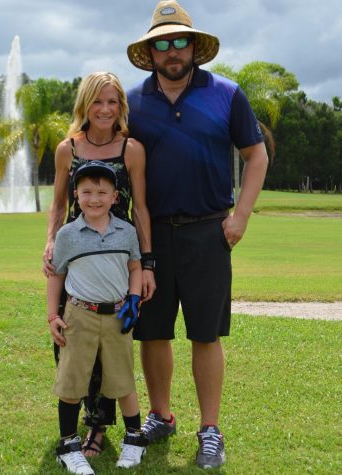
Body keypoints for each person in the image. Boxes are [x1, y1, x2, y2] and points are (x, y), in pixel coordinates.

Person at [126, 0, 269, 469]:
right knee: (153, 333)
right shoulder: (132, 102)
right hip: (151, 236)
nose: (171, 51)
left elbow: (256, 155)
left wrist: (241, 216)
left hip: (209, 232)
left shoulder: (227, 94)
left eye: (179, 41)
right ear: (151, 50)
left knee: (206, 334)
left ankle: (210, 428)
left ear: (193, 46)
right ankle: (161, 415)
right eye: (162, 43)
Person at [43, 72, 155, 457]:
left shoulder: (132, 149)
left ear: (121, 106)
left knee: (112, 349)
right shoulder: (67, 149)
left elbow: (140, 208)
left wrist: (148, 264)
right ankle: (86, 427)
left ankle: (101, 428)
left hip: (119, 257)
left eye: (112, 102)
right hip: (78, 257)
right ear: (84, 105)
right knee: (76, 347)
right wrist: (50, 241)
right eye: (97, 101)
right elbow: (59, 204)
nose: (105, 109)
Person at [48, 160, 148, 474]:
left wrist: (134, 298)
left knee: (122, 380)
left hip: (118, 315)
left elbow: (135, 267)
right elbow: (56, 277)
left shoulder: (126, 231)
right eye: (87, 191)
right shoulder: (68, 235)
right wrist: (53, 315)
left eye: (102, 192)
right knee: (72, 382)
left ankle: (134, 440)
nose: (94, 198)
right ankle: (68, 446)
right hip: (80, 314)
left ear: (115, 197)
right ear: (76, 195)